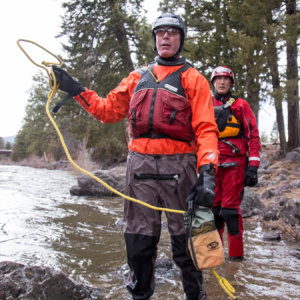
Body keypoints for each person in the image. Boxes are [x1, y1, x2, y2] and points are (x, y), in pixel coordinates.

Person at [52, 12, 219, 300]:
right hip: (139, 169)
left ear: (181, 39)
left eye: (172, 32)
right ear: (155, 39)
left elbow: (206, 129)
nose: (165, 37)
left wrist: (207, 173)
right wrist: (75, 89)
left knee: (189, 246)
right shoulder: (136, 78)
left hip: (181, 169)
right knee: (139, 245)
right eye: (160, 32)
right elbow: (106, 110)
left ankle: (196, 295)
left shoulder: (195, 79)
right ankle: (140, 296)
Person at [210, 66, 261, 260]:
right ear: (213, 82)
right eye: (218, 79)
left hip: (235, 164)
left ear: (231, 83)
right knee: (214, 213)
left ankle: (236, 261)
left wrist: (253, 167)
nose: (222, 82)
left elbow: (253, 136)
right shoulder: (205, 104)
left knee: (230, 211)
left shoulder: (241, 105)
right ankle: (215, 259)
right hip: (211, 165)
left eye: (226, 79)